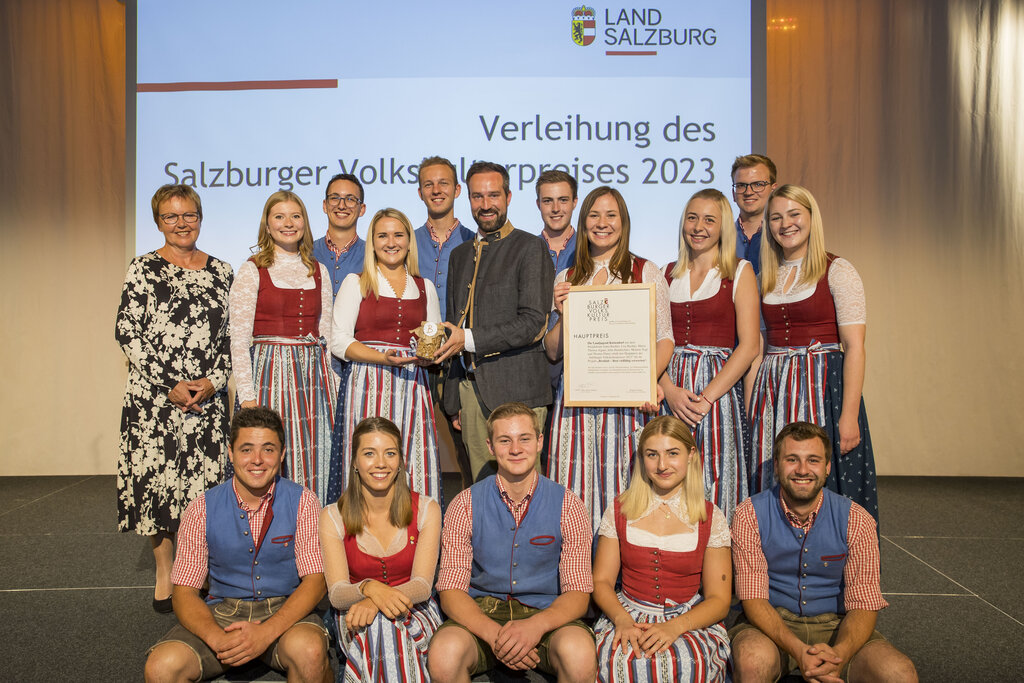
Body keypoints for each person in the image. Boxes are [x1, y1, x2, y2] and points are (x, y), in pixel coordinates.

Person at [143, 407, 332, 683]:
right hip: (222, 613)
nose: (257, 460)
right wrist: (218, 640)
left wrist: (266, 633)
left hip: (285, 611)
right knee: (161, 667)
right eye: (246, 450)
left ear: (281, 455)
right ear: (230, 453)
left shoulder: (304, 501)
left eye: (268, 449)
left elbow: (315, 581)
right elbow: (184, 593)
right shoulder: (201, 509)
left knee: (311, 652)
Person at [116, 184, 233, 613]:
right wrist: (170, 383)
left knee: (204, 490)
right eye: (172, 216)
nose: (182, 223)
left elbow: (231, 341)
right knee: (158, 488)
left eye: (189, 215)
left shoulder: (223, 271)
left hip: (206, 401)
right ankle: (166, 571)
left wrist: (213, 381)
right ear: (158, 221)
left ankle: (198, 569)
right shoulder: (142, 268)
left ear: (200, 218)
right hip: (154, 402)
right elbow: (128, 333)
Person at [730, 422, 917, 682]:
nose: (803, 470)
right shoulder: (748, 514)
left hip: (838, 625)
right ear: (776, 466)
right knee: (752, 662)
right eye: (792, 459)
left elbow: (864, 604)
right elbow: (753, 599)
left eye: (813, 460)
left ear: (828, 467)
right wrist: (798, 650)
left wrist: (838, 656)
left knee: (899, 673)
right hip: (771, 625)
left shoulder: (857, 520)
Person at [428, 402, 596, 683]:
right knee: (444, 653)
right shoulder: (464, 504)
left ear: (540, 442)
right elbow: (451, 590)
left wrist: (535, 627)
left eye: (524, 439)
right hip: (482, 616)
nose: (516, 449)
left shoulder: (569, 504)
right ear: (490, 447)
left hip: (546, 616)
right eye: (505, 441)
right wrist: (496, 636)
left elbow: (578, 593)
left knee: (578, 653)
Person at [545, 185, 674, 531]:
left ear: (623, 222)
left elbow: (665, 340)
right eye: (594, 215)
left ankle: (619, 574)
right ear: (583, 221)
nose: (602, 223)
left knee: (625, 489)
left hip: (626, 405)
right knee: (574, 490)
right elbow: (553, 351)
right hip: (575, 408)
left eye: (611, 215)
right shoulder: (567, 277)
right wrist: (561, 311)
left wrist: (645, 382)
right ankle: (576, 567)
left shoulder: (646, 272)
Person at [748, 184, 878, 519]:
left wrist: (848, 415)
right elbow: (759, 349)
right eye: (775, 217)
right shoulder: (765, 275)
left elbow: (855, 347)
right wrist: (752, 410)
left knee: (822, 473)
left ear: (811, 218)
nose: (785, 224)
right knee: (776, 471)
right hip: (774, 389)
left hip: (823, 387)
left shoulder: (837, 270)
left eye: (794, 214)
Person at [435, 161, 555, 483]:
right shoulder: (460, 255)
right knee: (481, 494)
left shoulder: (530, 247)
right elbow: (453, 324)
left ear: (508, 196)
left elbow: (532, 323)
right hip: (470, 394)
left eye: (493, 195)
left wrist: (468, 340)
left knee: (525, 494)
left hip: (518, 392)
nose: (485, 205)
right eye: (477, 196)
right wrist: (453, 400)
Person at [592, 416, 731, 682]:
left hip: (688, 618)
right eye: (652, 454)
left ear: (691, 455)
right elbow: (601, 581)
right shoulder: (620, 510)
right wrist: (621, 620)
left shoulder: (710, 517)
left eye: (672, 453)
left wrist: (675, 627)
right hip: (627, 612)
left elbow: (720, 600)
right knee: (622, 658)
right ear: (642, 459)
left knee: (686, 661)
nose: (662, 465)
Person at [229, 191, 336, 504]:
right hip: (269, 373)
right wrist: (248, 397)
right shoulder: (252, 269)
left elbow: (326, 335)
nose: (288, 223)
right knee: (268, 456)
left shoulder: (319, 270)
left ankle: (310, 534)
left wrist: (333, 387)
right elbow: (238, 338)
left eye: (295, 216)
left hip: (312, 377)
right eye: (279, 216)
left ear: (305, 221)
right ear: (267, 223)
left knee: (314, 459)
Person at [328, 208, 442, 503]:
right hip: (367, 383)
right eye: (382, 235)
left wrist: (429, 355)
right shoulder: (357, 282)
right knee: (370, 458)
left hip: (413, 386)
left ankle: (413, 536)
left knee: (412, 457)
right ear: (372, 242)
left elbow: (432, 337)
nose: (391, 242)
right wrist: (382, 358)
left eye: (398, 235)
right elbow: (339, 341)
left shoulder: (424, 286)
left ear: (409, 241)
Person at [659, 188, 759, 522]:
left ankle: (717, 561)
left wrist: (707, 398)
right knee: (666, 470)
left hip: (716, 391)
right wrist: (669, 391)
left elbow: (749, 346)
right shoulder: (665, 272)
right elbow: (653, 339)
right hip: (670, 387)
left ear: (723, 228)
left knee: (717, 471)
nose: (698, 226)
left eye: (709, 219)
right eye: (692, 217)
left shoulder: (739, 272)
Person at [319, 417, 442, 682]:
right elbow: (338, 594)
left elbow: (422, 585)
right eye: (369, 454)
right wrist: (367, 588)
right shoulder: (332, 516)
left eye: (390, 453)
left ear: (400, 461)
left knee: (384, 627)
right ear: (354, 461)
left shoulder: (427, 509)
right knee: (381, 629)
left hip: (417, 609)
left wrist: (374, 600)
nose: (381, 464)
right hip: (354, 612)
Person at [413, 156, 474, 311]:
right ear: (420, 193)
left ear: (457, 190)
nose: (436, 190)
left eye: (443, 183)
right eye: (428, 185)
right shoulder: (407, 243)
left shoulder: (474, 242)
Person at [314, 173, 367, 298]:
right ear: (325, 205)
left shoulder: (374, 256)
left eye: (350, 199)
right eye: (334, 198)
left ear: (362, 209)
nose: (341, 206)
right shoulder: (305, 253)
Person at [731, 154, 778, 276]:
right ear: (733, 194)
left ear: (773, 190)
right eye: (741, 186)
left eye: (758, 184)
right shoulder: (720, 238)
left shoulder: (786, 236)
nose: (749, 192)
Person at [536, 169, 579, 274]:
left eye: (563, 200)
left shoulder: (590, 249)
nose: (555, 209)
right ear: (538, 204)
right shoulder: (525, 250)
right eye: (548, 201)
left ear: (574, 202)